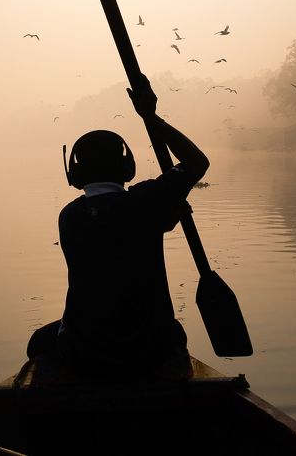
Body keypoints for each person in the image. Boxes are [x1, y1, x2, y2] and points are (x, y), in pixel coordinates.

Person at [27, 74, 209, 376]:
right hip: (148, 351)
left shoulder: (69, 216)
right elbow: (196, 162)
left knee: (39, 342)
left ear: (75, 174)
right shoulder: (147, 201)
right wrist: (151, 118)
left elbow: (115, 232)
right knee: (176, 333)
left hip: (83, 351)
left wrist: (166, 213)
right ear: (127, 168)